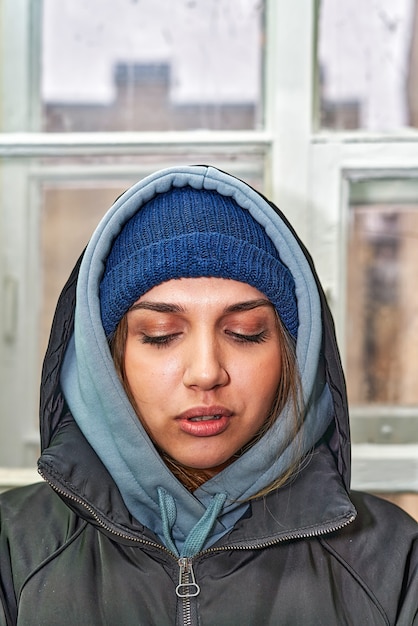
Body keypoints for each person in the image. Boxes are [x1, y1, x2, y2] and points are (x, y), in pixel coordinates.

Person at [0, 164, 417, 626]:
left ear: (293, 355)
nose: (205, 373)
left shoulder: (394, 561)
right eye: (160, 335)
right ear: (106, 359)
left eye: (246, 332)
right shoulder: (11, 549)